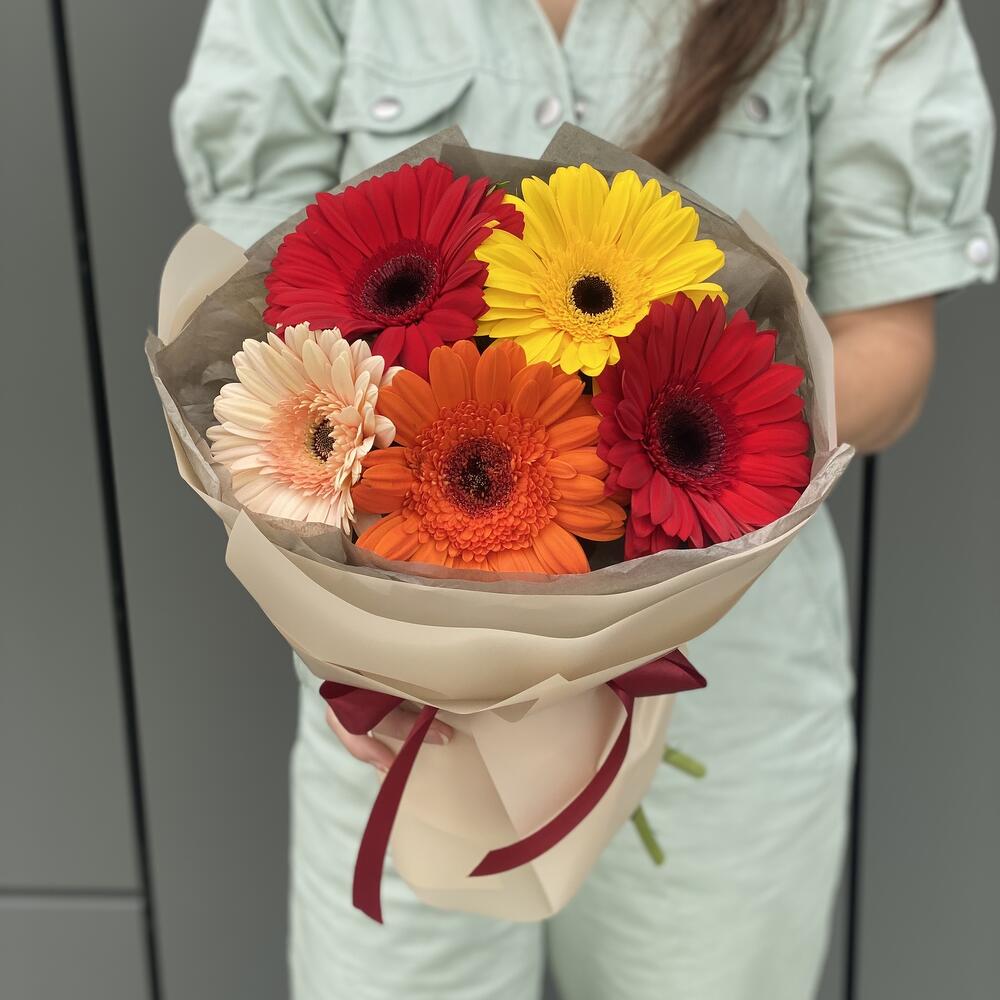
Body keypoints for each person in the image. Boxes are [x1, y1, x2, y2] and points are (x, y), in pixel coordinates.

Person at [171, 1, 996, 997]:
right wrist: (350, 637)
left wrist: (657, 447)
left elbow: (891, 351)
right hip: (398, 703)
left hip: (725, 683)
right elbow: (257, 327)